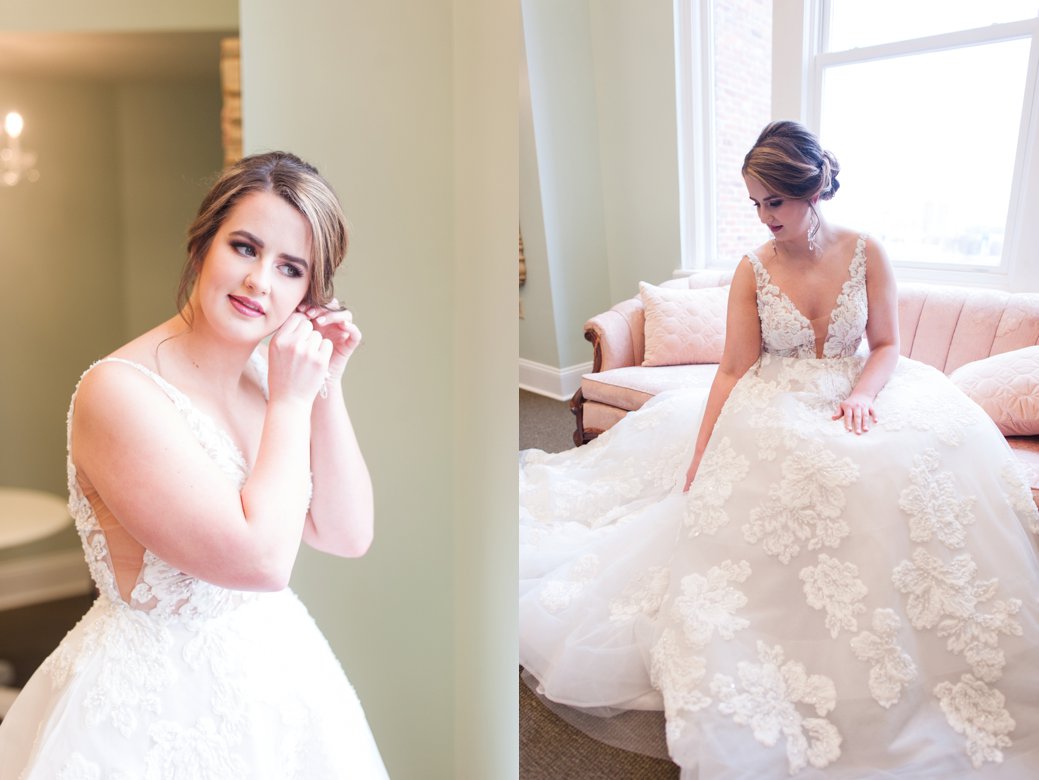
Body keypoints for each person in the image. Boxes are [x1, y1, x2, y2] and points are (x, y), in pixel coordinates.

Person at [519, 121, 1039, 778]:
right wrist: (702, 451)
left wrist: (866, 396)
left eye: (776, 202)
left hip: (856, 389)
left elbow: (884, 345)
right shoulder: (752, 270)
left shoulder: (865, 251)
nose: (765, 217)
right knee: (804, 477)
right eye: (756, 204)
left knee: (894, 467)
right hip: (776, 398)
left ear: (814, 187)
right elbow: (734, 369)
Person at [0, 152, 390, 778]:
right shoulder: (118, 392)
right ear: (204, 243)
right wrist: (292, 399)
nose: (260, 281)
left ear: (309, 296)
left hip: (281, 680)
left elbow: (347, 535)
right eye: (244, 247)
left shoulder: (270, 380)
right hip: (154, 711)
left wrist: (326, 386)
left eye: (290, 268)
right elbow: (261, 562)